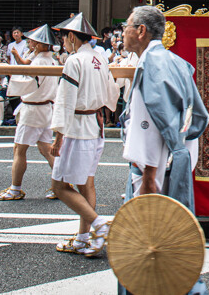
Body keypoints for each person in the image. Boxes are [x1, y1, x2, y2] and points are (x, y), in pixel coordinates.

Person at [118, 5, 209, 295]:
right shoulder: (177, 62)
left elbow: (149, 125)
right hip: (177, 161)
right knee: (175, 243)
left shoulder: (150, 66)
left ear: (141, 31)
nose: (123, 32)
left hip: (154, 169)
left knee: (146, 248)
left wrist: (148, 178)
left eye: (126, 26)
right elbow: (194, 118)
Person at [50, 13, 119, 258]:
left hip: (77, 127)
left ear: (71, 37)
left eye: (64, 39)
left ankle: (99, 226)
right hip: (95, 124)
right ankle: (83, 238)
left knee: (59, 186)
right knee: (86, 182)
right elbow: (112, 93)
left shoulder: (75, 60)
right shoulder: (100, 57)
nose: (64, 44)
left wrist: (58, 135)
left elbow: (65, 99)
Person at [0, 24, 60, 202]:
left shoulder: (39, 61)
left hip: (33, 108)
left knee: (20, 149)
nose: (29, 43)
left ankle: (15, 189)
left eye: (32, 41)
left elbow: (23, 82)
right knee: (46, 149)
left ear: (39, 44)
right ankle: (60, 185)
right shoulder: (51, 59)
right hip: (46, 108)